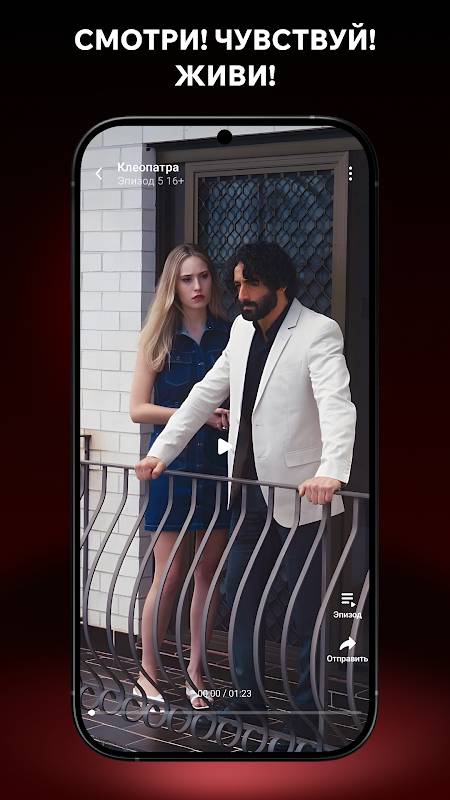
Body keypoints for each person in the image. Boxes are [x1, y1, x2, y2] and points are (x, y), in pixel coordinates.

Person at [134, 241, 356, 746]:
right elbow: (203, 397)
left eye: (250, 285)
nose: (241, 295)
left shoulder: (318, 331)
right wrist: (160, 454)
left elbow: (337, 405)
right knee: (240, 597)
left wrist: (331, 472)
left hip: (304, 496)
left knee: (308, 612)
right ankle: (247, 706)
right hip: (249, 494)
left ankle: (306, 718)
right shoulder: (240, 330)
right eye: (236, 285)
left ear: (279, 285)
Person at [129, 243, 231, 710]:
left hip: (218, 468)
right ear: (173, 285)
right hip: (171, 469)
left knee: (208, 574)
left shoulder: (231, 335)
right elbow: (138, 409)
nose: (197, 286)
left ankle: (196, 673)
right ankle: (147, 673)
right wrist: (196, 415)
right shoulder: (158, 338)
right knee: (168, 577)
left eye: (203, 276)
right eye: (187, 279)